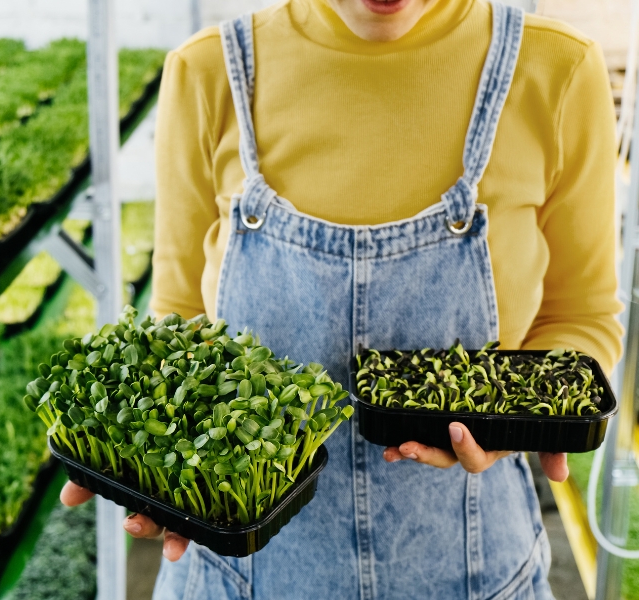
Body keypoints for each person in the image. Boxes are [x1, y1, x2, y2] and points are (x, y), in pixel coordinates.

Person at [61, 0, 623, 597]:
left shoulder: (555, 70)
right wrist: (155, 470)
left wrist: (524, 421)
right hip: (239, 577)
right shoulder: (207, 74)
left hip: (476, 570)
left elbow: (581, 316)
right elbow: (179, 322)